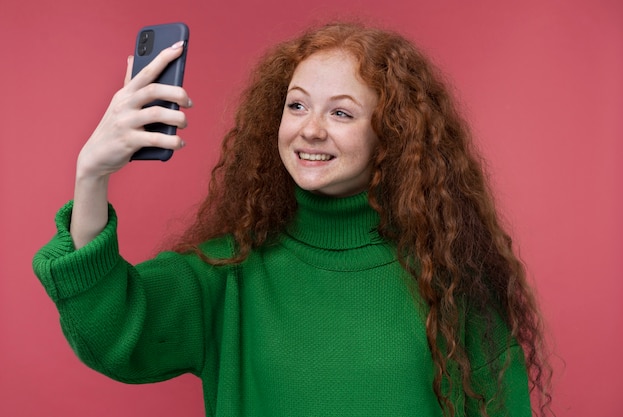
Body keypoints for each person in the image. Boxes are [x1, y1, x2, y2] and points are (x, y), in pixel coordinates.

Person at [33, 22, 552, 417]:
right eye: (297, 106)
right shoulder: (228, 275)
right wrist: (91, 176)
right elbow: (113, 329)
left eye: (342, 113)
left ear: (392, 134)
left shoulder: (452, 282)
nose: (311, 130)